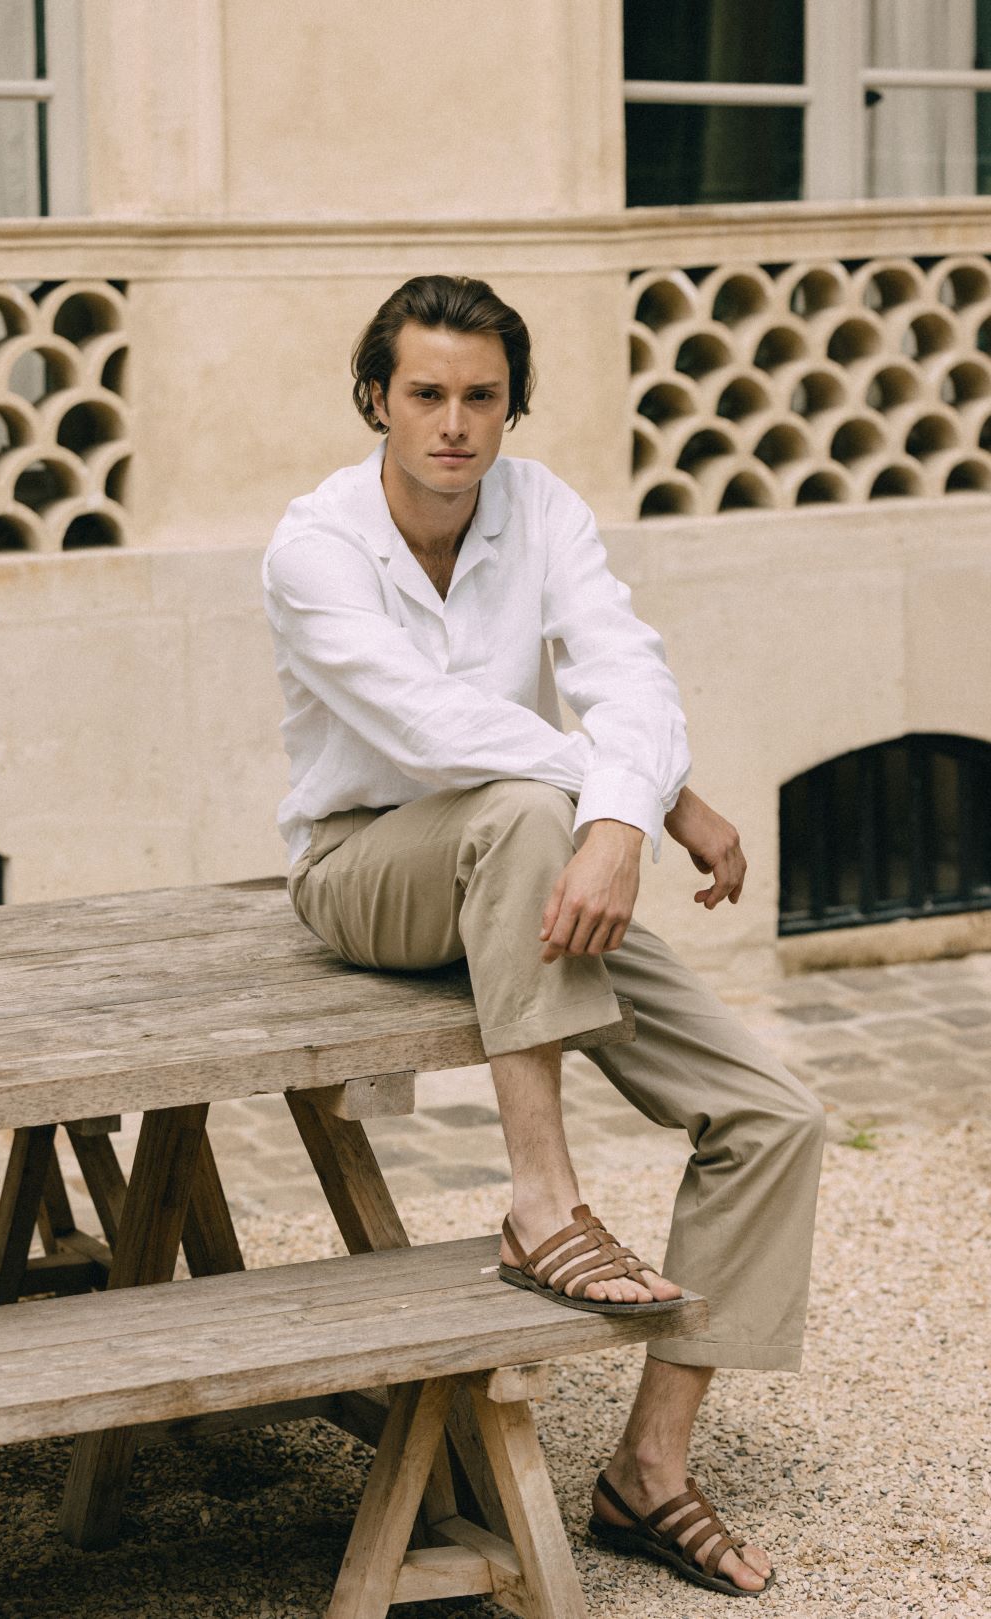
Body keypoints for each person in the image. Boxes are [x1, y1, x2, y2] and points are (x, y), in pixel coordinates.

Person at [261, 274, 825, 1598]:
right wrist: (642, 802)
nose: (455, 424)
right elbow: (428, 732)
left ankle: (648, 1473)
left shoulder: (544, 507)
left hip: (533, 868)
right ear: (377, 400)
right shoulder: (316, 544)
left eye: (482, 398)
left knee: (774, 1119)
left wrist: (627, 812)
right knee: (520, 808)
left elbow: (628, 667)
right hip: (367, 869)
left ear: (510, 407)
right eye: (427, 395)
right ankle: (541, 1200)